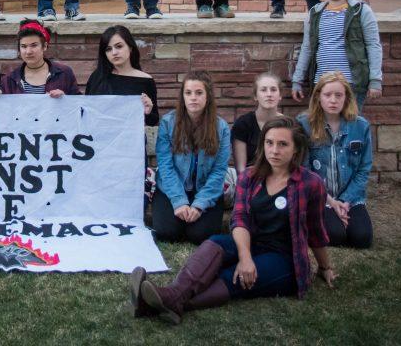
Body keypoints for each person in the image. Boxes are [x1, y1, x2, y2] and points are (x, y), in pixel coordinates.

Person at [130, 116, 335, 323]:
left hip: (283, 258)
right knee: (214, 244)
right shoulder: (249, 176)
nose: (274, 150)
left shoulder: (311, 183)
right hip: (249, 243)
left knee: (233, 276)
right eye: (269, 143)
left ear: (296, 149)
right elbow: (239, 218)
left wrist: (324, 267)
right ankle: (173, 296)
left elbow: (316, 230)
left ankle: (161, 302)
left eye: (283, 144)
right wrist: (245, 257)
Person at [151, 70, 230, 244]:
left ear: (208, 96)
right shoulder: (168, 123)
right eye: (188, 93)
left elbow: (219, 171)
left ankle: (197, 215)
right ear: (183, 96)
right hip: (172, 187)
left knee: (201, 235)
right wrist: (179, 201)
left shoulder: (221, 128)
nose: (193, 97)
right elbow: (165, 166)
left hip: (205, 189)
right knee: (167, 232)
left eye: (199, 92)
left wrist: (200, 204)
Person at [296, 72, 374, 249]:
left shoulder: (360, 126)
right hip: (320, 196)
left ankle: (345, 212)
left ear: (346, 98)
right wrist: (331, 202)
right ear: (318, 97)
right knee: (335, 235)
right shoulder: (304, 124)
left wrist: (345, 202)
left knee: (362, 239)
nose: (333, 100)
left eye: (338, 95)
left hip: (351, 197)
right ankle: (324, 217)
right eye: (327, 95)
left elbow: (364, 169)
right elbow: (305, 170)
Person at [291, 0, 383, 111]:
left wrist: (375, 80)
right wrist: (297, 80)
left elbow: (373, 45)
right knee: (321, 128)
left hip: (352, 82)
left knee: (350, 127)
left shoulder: (361, 10)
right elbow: (307, 48)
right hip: (322, 82)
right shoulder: (315, 12)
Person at [85, 25, 158, 127]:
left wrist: (148, 111)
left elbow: (153, 121)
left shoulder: (145, 80)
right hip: (100, 138)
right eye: (108, 49)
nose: (114, 52)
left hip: (129, 139)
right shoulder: (97, 76)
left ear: (130, 47)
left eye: (119, 46)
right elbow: (85, 111)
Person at [0, 19, 80, 96]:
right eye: (23, 46)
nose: (28, 51)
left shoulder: (64, 73)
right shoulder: (9, 80)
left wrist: (65, 99)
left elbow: (79, 105)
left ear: (44, 46)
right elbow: (4, 108)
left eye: (34, 45)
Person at [231, 72, 285, 174]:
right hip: (252, 182)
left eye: (273, 90)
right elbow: (241, 170)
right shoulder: (243, 124)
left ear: (280, 95)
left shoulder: (289, 125)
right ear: (255, 96)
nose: (269, 94)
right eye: (263, 90)